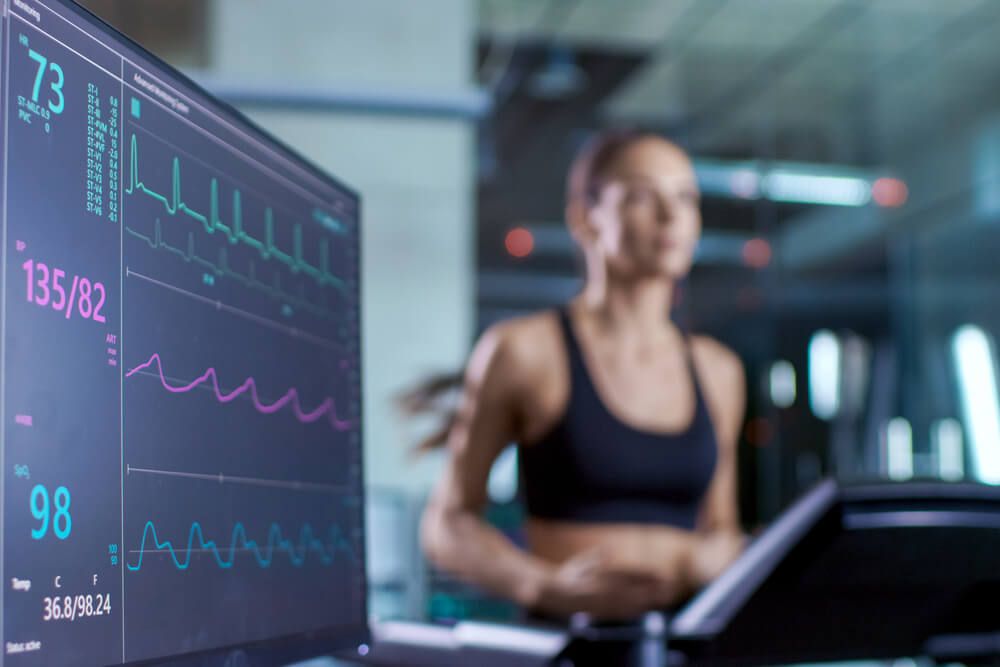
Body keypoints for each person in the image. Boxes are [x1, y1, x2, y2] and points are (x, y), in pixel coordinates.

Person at [412, 130, 746, 621]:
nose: (671, 214)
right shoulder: (525, 351)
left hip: (684, 641)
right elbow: (447, 524)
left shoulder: (719, 370)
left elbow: (723, 530)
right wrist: (543, 586)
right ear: (584, 218)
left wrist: (713, 558)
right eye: (640, 195)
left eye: (685, 197)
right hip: (570, 643)